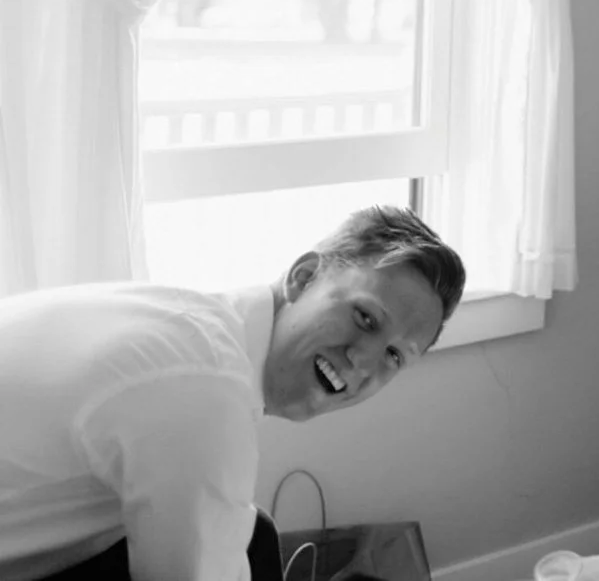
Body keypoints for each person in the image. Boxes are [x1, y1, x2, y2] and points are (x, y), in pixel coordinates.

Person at [0, 205, 466, 581]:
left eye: (394, 356)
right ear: (303, 277)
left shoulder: (192, 326)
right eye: (365, 317)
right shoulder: (203, 389)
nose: (363, 361)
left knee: (250, 533)